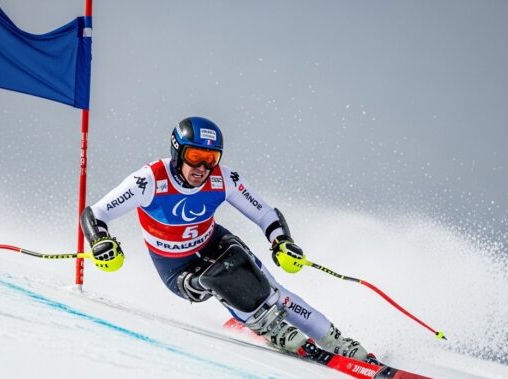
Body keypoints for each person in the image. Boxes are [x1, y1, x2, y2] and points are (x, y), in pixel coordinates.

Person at [80, 116, 374, 361]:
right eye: (195, 157)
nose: (202, 169)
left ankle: (334, 339)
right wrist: (100, 241)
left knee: (268, 288)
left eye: (211, 159)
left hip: (213, 242)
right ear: (178, 152)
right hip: (176, 269)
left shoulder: (224, 179)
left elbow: (266, 214)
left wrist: (282, 241)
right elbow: (96, 213)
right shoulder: (148, 180)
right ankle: (267, 326)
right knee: (218, 278)